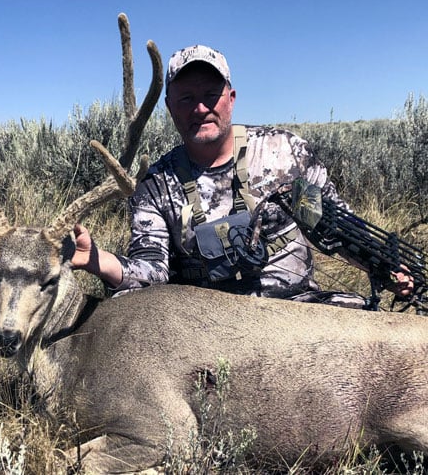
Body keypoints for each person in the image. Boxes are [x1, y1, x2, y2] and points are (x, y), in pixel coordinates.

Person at [71, 44, 413, 305]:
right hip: (211, 329)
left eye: (210, 95)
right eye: (187, 98)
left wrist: (385, 267)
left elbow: (332, 229)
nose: (200, 108)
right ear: (170, 107)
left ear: (231, 99)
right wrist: (95, 260)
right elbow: (151, 272)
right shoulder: (156, 185)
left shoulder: (283, 155)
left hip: (301, 311)